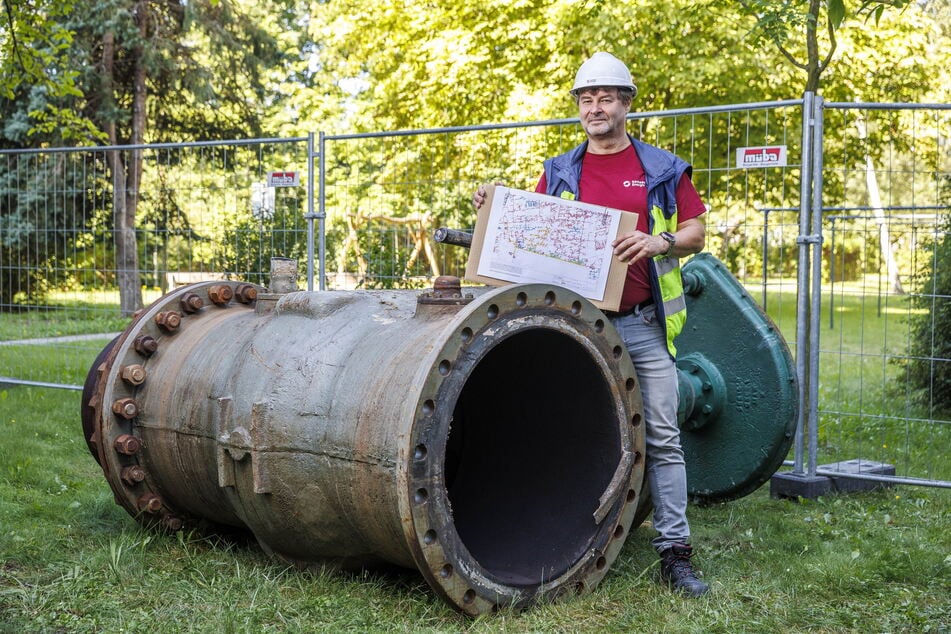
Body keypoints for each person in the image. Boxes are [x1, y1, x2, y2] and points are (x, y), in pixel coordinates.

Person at [472, 51, 710, 597]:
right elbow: (524, 232)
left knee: (665, 440)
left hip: (643, 326)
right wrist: (492, 203)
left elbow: (696, 231)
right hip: (574, 329)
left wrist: (660, 241)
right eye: (586, 99)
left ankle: (676, 554)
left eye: (605, 97)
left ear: (626, 103)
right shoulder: (559, 171)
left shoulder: (661, 170)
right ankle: (562, 542)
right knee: (559, 432)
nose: (595, 107)